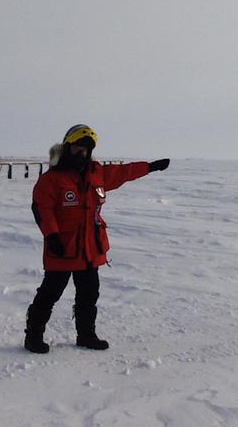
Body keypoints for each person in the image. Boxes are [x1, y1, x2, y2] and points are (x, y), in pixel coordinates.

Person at [24, 124, 170, 353]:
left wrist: (149, 167)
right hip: (63, 248)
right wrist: (52, 236)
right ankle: (33, 336)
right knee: (49, 294)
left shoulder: (96, 173)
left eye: (86, 149)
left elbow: (124, 172)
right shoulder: (52, 179)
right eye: (77, 147)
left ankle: (86, 335)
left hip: (90, 250)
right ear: (67, 147)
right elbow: (42, 209)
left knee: (89, 294)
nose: (81, 152)